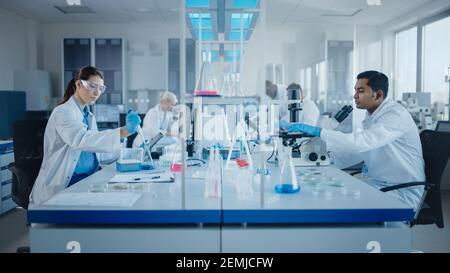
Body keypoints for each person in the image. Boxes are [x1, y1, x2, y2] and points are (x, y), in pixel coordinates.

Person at [281, 71, 425, 210]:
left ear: (378, 94)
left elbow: (362, 143)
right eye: (355, 90)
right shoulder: (373, 116)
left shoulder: (395, 115)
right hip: (379, 184)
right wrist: (325, 160)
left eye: (361, 91)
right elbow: (358, 152)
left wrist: (320, 132)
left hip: (401, 191)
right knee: (328, 192)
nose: (355, 96)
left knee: (334, 200)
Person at [29, 66, 141, 205]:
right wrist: (123, 131)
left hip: (88, 180)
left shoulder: (89, 116)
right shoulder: (63, 112)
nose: (97, 92)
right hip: (65, 184)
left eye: (101, 88)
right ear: (78, 84)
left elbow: (95, 152)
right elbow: (82, 140)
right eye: (92, 86)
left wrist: (126, 148)